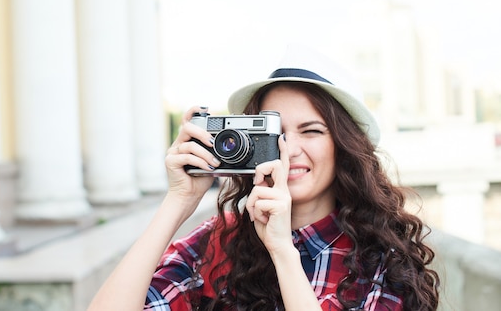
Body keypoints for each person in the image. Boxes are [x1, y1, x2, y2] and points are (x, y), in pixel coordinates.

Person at [88, 46, 440, 311]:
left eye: (312, 131)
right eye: (275, 134)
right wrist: (178, 201)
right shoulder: (220, 241)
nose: (289, 149)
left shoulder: (381, 260)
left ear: (345, 146)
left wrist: (282, 250)